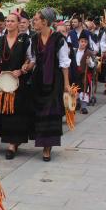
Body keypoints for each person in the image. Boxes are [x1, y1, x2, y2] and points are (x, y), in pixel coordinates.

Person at [0, 12, 34, 160]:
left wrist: (22, 70)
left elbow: (31, 59)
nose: (9, 23)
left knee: (17, 112)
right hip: (3, 81)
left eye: (12, 21)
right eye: (7, 21)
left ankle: (13, 144)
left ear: (18, 23)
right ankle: (10, 140)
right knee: (5, 112)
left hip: (18, 82)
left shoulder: (25, 39)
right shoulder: (0, 40)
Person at [30, 9, 72, 161]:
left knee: (50, 113)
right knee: (40, 112)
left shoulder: (59, 39)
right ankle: (41, 142)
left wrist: (67, 84)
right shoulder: (34, 39)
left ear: (45, 21)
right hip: (38, 80)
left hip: (54, 80)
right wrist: (25, 67)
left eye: (36, 19)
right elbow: (33, 59)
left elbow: (64, 63)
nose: (33, 22)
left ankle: (48, 147)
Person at [70, 31, 96, 114]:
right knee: (74, 90)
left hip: (83, 74)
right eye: (82, 41)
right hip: (74, 73)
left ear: (87, 43)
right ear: (78, 42)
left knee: (84, 90)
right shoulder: (74, 51)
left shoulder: (89, 52)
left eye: (85, 42)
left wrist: (89, 63)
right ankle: (74, 105)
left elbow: (93, 65)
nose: (83, 43)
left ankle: (84, 107)